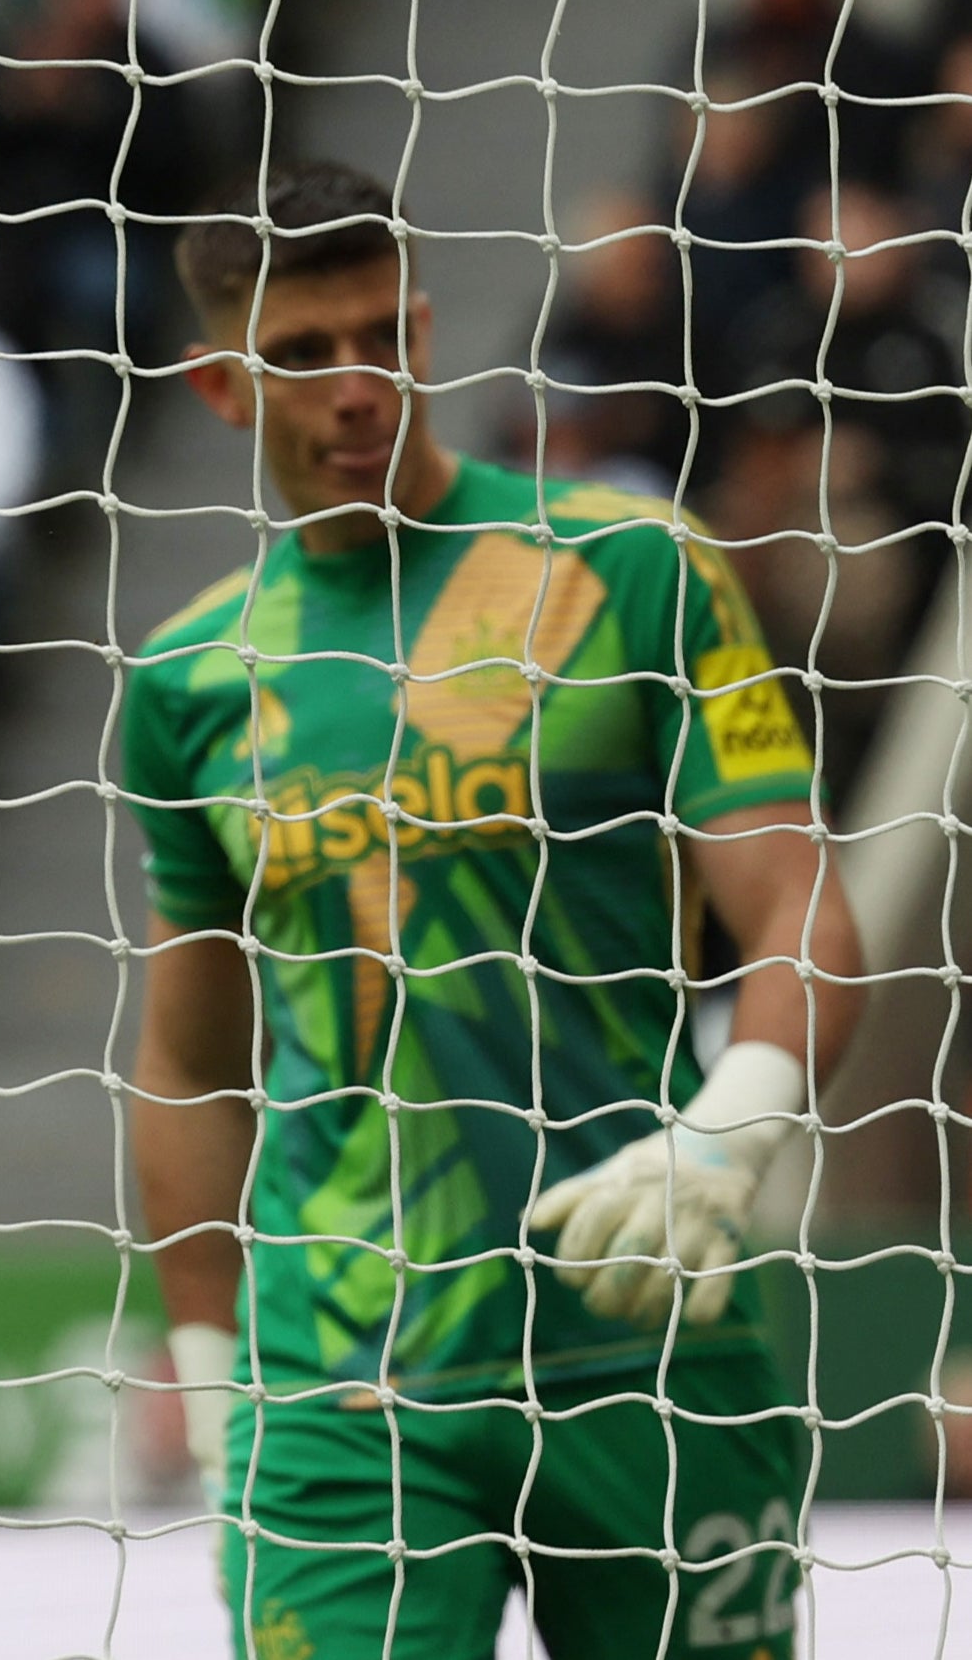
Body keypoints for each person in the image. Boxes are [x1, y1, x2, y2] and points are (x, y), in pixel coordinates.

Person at [124, 160, 864, 1660]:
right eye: (303, 353)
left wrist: (735, 1125)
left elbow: (795, 892)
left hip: (649, 1325)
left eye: (385, 337)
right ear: (216, 383)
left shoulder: (632, 569)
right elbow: (192, 1058)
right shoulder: (191, 679)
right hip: (342, 1373)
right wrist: (209, 1359)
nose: (358, 387)